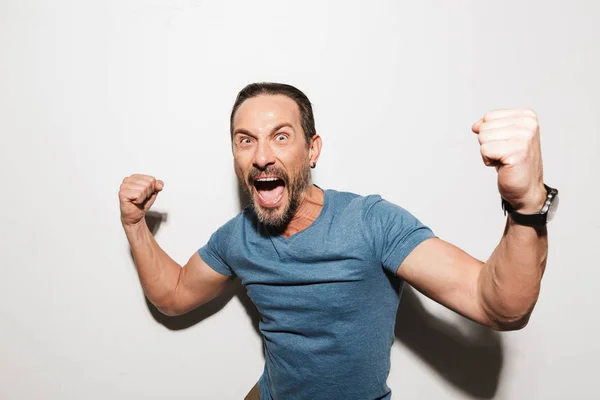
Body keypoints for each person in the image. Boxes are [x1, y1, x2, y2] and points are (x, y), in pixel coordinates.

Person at [119, 82, 558, 400]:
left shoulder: (370, 222)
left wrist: (525, 204)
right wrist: (135, 223)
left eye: (281, 137)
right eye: (245, 140)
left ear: (312, 150)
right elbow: (174, 295)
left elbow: (498, 305)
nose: (261, 155)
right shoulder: (238, 238)